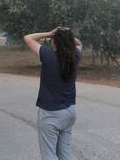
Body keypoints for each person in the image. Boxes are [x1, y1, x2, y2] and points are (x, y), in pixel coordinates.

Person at [23, 27, 82, 160]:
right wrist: (67, 35)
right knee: (65, 152)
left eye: (52, 39)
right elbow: (79, 44)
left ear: (55, 41)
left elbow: (28, 38)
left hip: (51, 114)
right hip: (70, 111)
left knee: (49, 154)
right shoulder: (76, 56)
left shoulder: (48, 55)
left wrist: (50, 33)